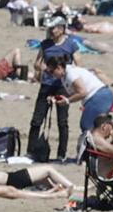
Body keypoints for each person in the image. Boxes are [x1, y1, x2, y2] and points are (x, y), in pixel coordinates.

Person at [28, 18, 79, 161]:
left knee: (62, 121)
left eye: (55, 28)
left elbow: (78, 64)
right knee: (37, 119)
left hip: (62, 85)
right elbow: (38, 63)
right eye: (51, 28)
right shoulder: (45, 44)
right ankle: (31, 151)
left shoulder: (71, 45)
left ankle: (61, 154)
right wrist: (45, 69)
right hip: (47, 84)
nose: (52, 31)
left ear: (62, 29)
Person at [48, 56, 113, 144]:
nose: (51, 74)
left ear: (59, 68)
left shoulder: (70, 73)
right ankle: (99, 150)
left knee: (87, 126)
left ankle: (95, 152)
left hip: (98, 96)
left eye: (52, 71)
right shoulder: (65, 76)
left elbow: (83, 92)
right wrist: (56, 98)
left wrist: (67, 101)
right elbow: (74, 92)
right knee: (96, 128)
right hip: (99, 96)